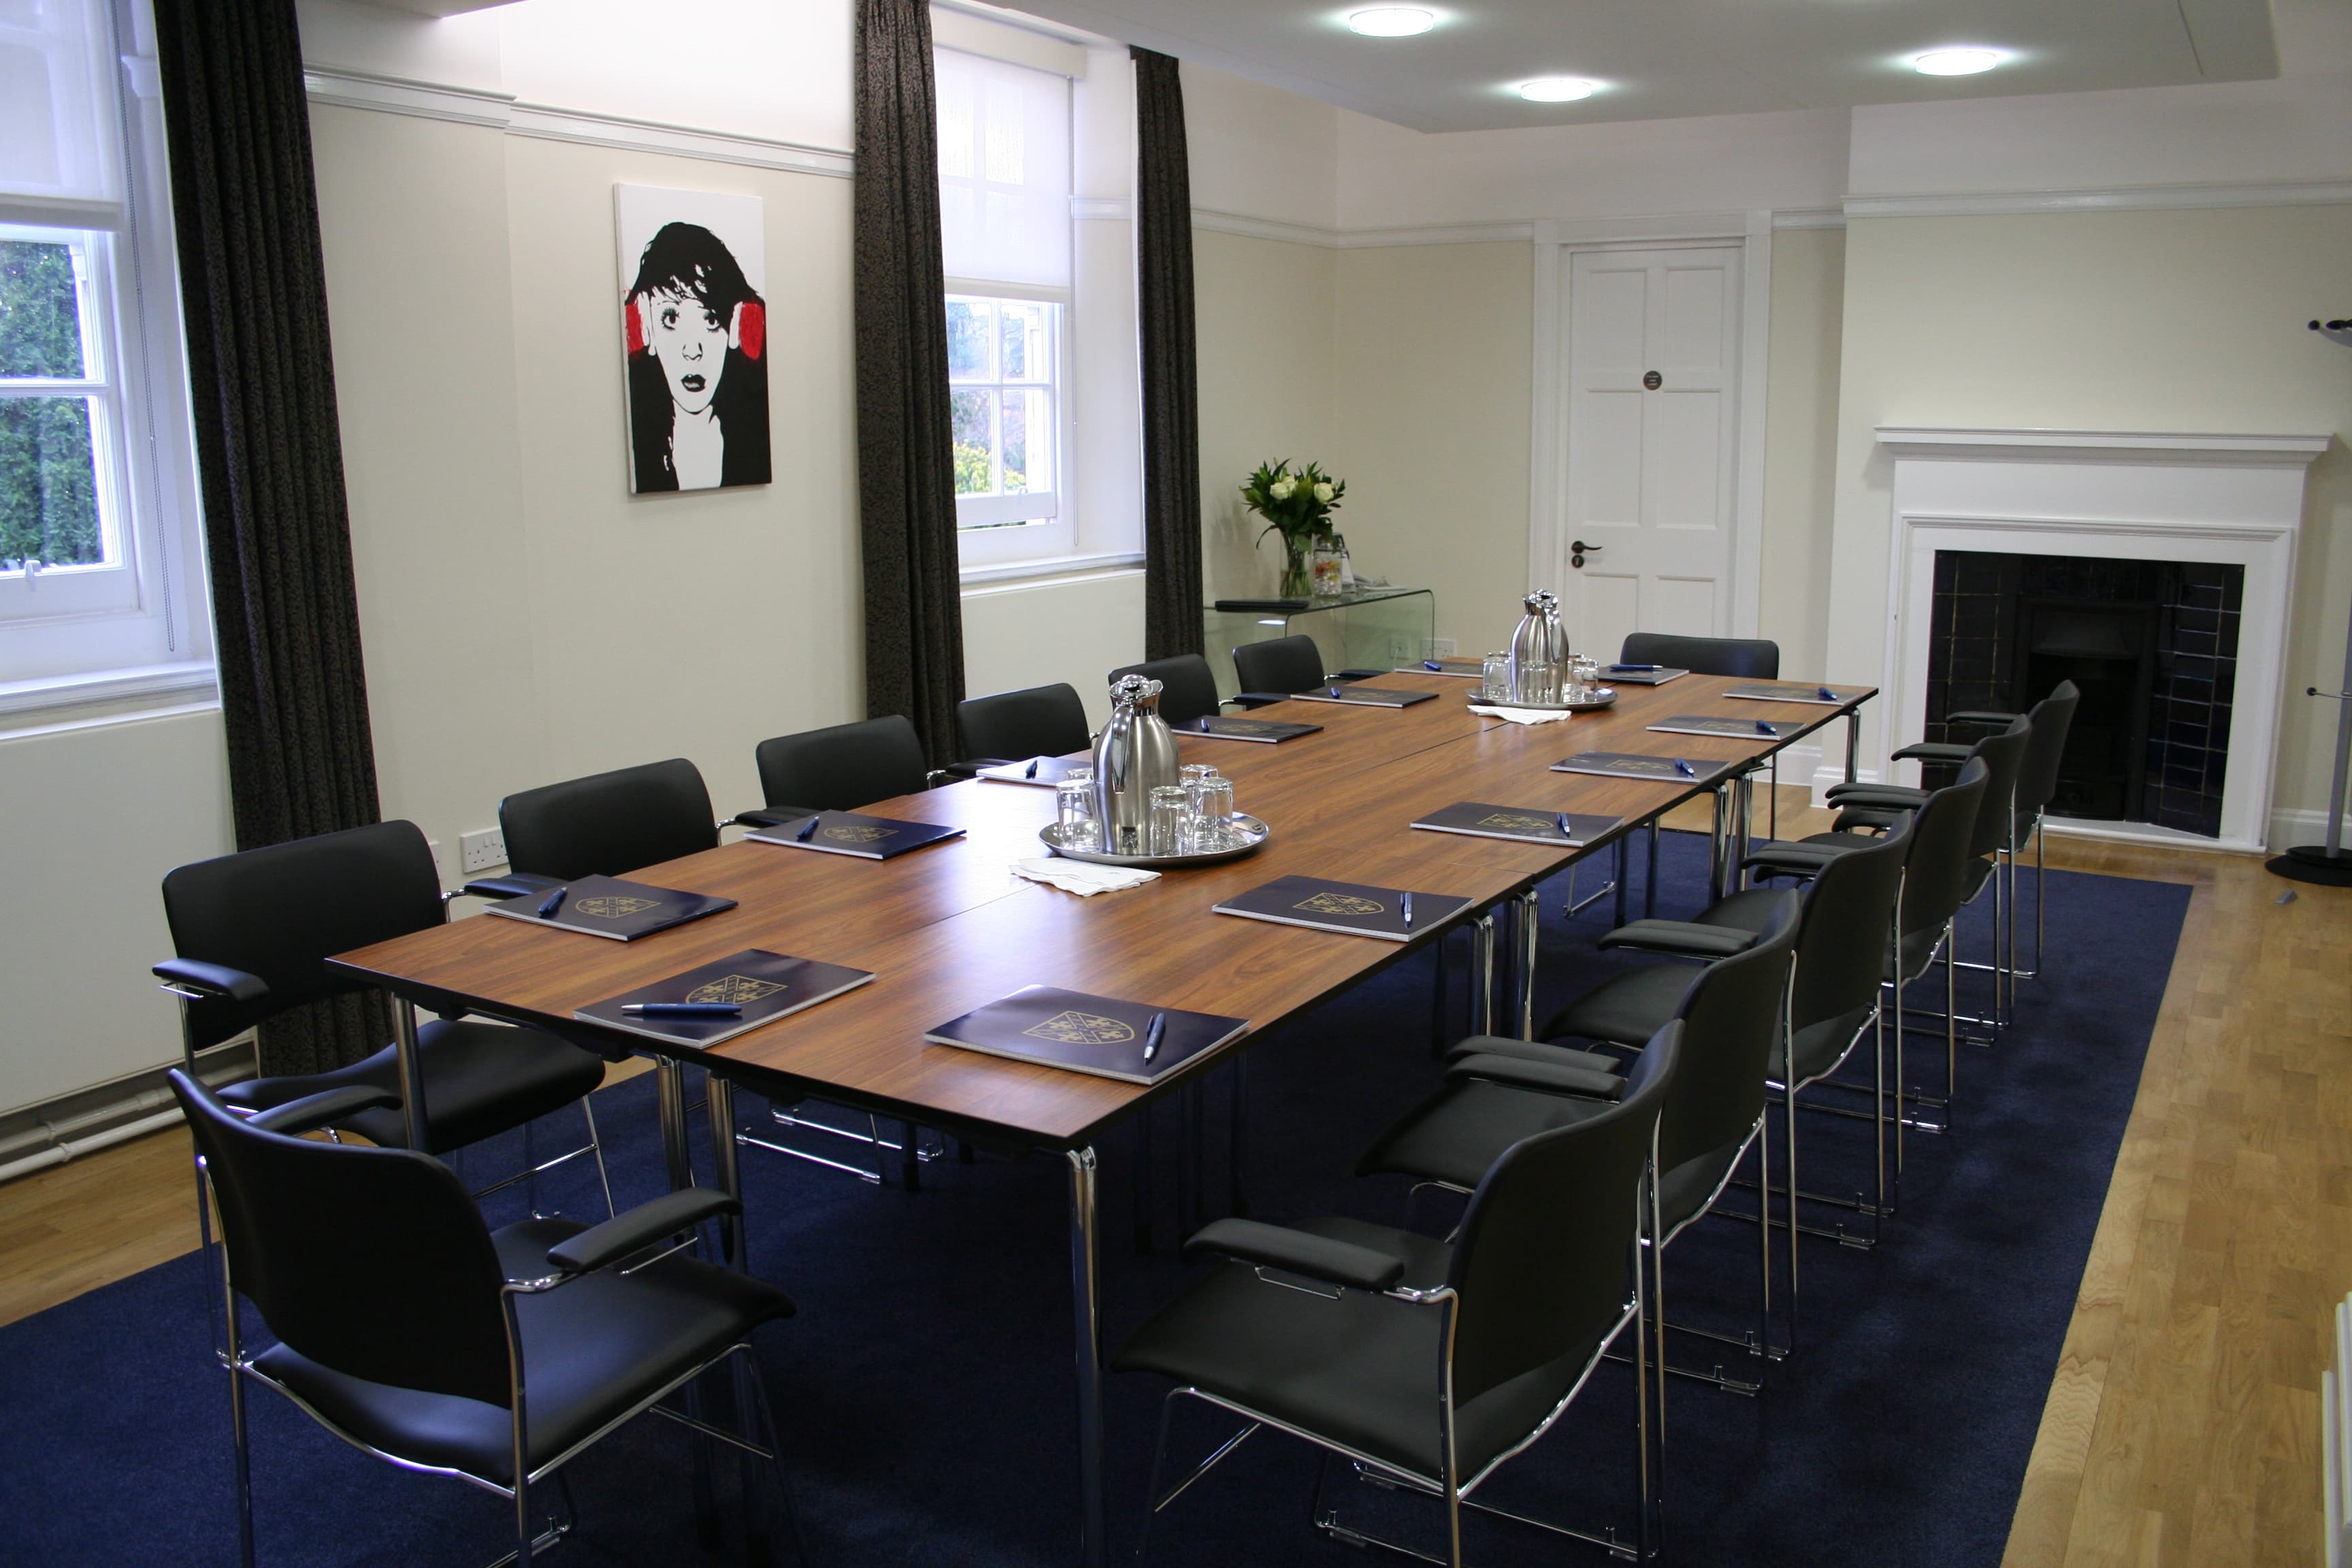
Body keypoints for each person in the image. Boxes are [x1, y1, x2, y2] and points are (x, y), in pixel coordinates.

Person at [621, 221, 770, 491]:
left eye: (711, 320)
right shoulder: (636, 445)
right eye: (670, 319)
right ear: (646, 325)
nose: (693, 351)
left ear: (736, 325)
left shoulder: (756, 444)